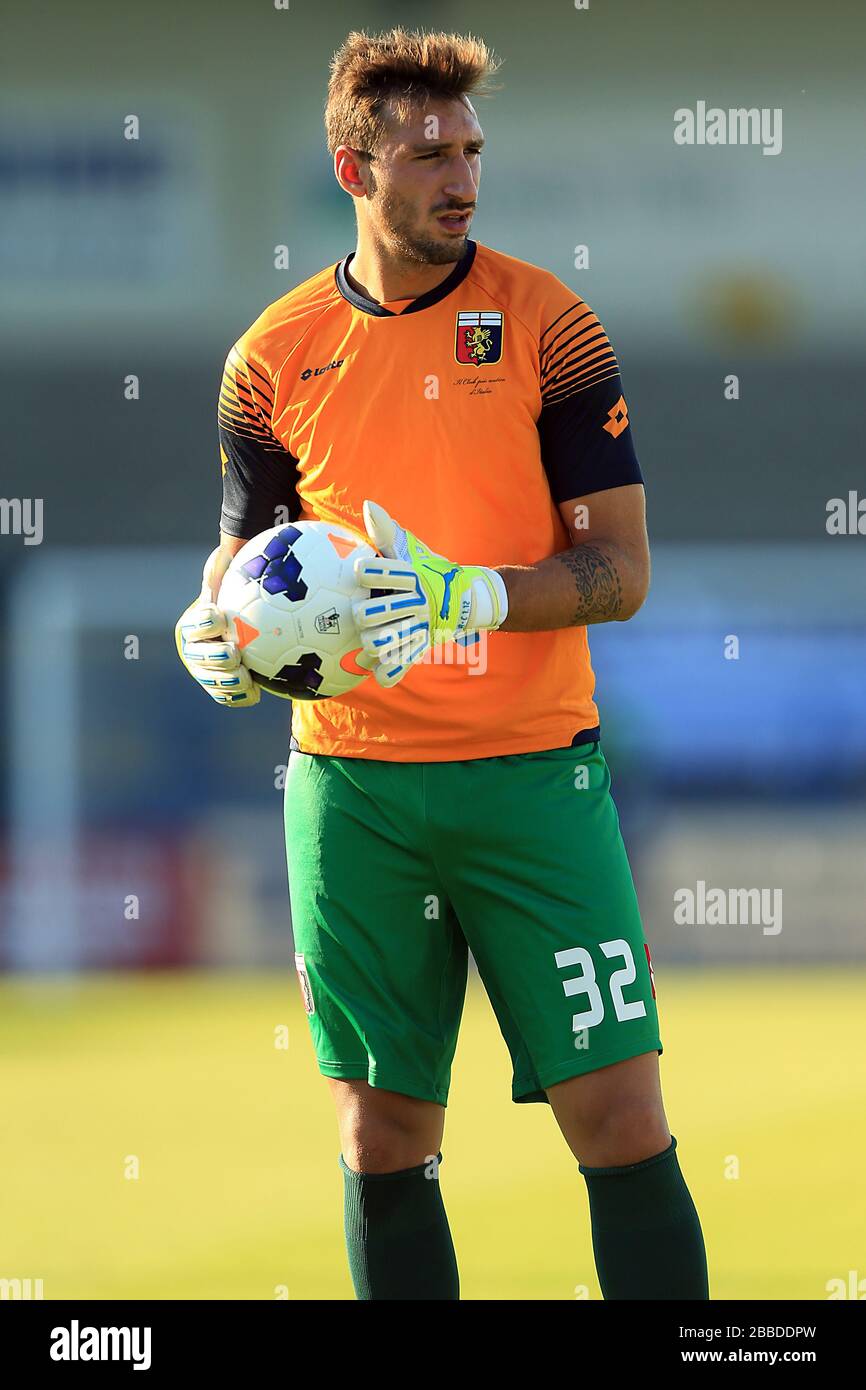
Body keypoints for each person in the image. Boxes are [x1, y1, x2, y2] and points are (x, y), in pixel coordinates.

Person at [177, 27, 708, 1301]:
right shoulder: (271, 356)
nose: (459, 175)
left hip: (531, 784)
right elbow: (244, 555)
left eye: (469, 149)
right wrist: (215, 630)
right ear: (352, 167)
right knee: (381, 1141)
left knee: (620, 1120)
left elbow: (621, 571)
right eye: (427, 153)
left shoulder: (546, 324)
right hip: (351, 794)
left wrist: (473, 593)